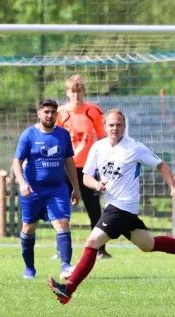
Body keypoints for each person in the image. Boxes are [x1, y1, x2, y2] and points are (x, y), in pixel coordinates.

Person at [47, 108, 175, 305]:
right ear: (104, 126)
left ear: (125, 126)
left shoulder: (134, 147)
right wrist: (96, 184)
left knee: (92, 243)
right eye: (111, 125)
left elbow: (161, 166)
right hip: (116, 207)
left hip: (122, 207)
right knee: (148, 244)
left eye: (119, 125)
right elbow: (87, 176)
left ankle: (68, 289)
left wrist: (173, 187)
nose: (115, 128)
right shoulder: (98, 147)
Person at [12, 99, 80, 280]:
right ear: (39, 113)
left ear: (57, 114)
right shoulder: (28, 135)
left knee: (63, 223)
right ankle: (29, 268)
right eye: (46, 112)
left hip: (57, 189)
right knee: (28, 228)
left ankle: (65, 266)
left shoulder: (63, 135)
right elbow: (16, 162)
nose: (50, 115)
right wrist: (22, 183)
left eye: (53, 112)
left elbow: (69, 162)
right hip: (33, 191)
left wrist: (75, 187)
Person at [54, 74, 112, 260]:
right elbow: (54, 137)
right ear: (67, 92)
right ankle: (61, 250)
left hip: (87, 170)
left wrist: (104, 165)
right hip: (64, 168)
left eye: (79, 91)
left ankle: (100, 249)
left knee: (94, 208)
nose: (75, 95)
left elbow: (103, 138)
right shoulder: (61, 113)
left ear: (84, 92)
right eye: (72, 91)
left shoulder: (93, 111)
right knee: (61, 208)